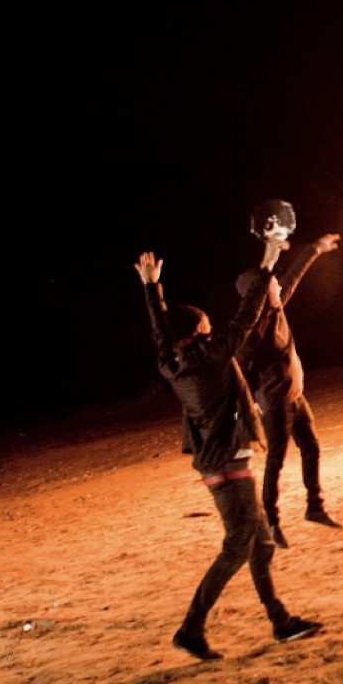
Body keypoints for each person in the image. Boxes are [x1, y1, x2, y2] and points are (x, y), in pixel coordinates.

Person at [136, 246, 322, 659]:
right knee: (239, 545)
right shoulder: (212, 357)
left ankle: (280, 621)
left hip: (217, 460)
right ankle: (191, 627)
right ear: (199, 331)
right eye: (206, 323)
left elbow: (160, 332)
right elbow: (248, 314)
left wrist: (152, 289)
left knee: (261, 543)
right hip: (228, 462)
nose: (212, 325)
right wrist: (268, 261)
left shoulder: (172, 361)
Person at [237, 232, 342, 546]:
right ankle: (270, 521)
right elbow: (242, 369)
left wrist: (314, 249)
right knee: (276, 461)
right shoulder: (255, 329)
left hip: (295, 395)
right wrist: (251, 403)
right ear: (257, 295)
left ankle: (314, 507)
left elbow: (292, 276)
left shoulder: (277, 307)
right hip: (276, 402)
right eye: (272, 286)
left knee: (311, 447)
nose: (279, 286)